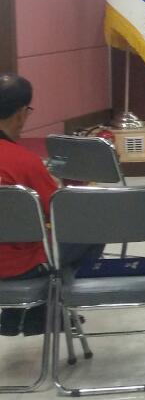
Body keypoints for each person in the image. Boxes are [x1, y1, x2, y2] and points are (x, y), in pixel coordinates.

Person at [0, 75, 102, 336]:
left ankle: (16, 313)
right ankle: (44, 312)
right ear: (21, 114)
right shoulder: (23, 161)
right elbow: (60, 214)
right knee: (91, 231)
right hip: (19, 265)